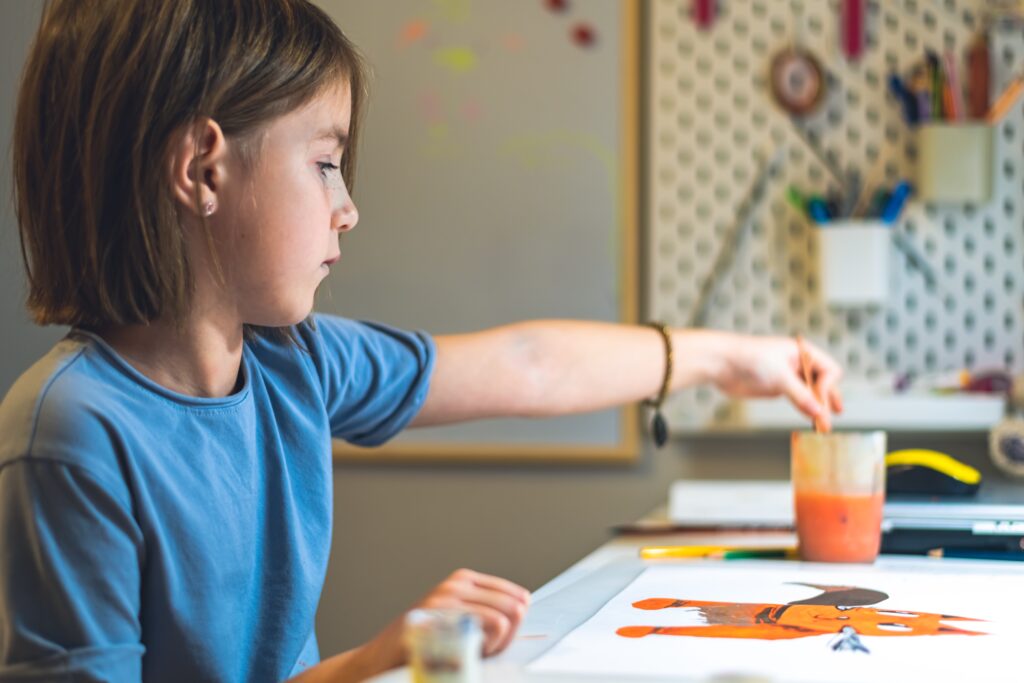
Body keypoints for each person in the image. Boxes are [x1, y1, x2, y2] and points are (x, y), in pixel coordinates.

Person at [0, 1, 843, 681]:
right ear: (203, 170)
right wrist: (371, 661)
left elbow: (527, 366)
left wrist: (734, 357)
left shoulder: (294, 361)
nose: (348, 206)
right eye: (326, 162)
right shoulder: (72, 432)